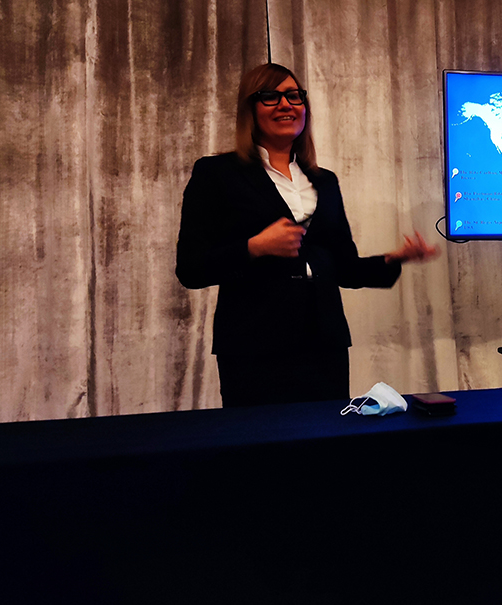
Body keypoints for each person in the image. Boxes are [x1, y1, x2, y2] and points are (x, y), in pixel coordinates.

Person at [176, 63, 437, 407]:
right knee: (261, 440)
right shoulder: (216, 174)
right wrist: (254, 247)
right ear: (250, 109)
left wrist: (395, 258)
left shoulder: (324, 181)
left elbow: (345, 269)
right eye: (270, 96)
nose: (286, 104)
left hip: (324, 344)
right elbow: (191, 268)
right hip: (254, 347)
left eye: (294, 96)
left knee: (325, 438)